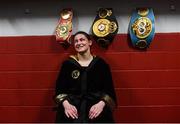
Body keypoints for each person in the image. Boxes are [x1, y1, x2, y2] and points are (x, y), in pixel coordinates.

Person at [54, 31, 117, 123]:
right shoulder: (67, 65)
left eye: (82, 40)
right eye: (76, 41)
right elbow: (60, 89)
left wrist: (101, 104)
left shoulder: (101, 65)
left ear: (90, 42)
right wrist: (66, 105)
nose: (79, 43)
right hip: (72, 108)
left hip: (95, 108)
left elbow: (109, 90)